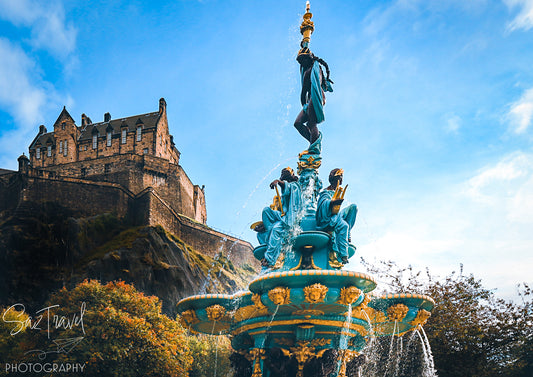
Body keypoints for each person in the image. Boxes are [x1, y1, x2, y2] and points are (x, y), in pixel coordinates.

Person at [254, 167, 302, 268]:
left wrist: (279, 182)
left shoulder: (295, 186)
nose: (283, 174)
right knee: (266, 210)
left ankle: (270, 259)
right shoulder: (284, 188)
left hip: (290, 216)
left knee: (276, 229)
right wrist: (264, 225)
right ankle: (268, 228)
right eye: (282, 173)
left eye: (286, 173)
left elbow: (290, 188)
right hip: (282, 215)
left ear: (291, 175)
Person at [315, 168, 357, 265]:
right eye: (339, 177)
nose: (341, 179)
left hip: (337, 215)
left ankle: (347, 233)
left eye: (341, 177)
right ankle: (343, 254)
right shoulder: (326, 192)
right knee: (344, 226)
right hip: (328, 218)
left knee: (353, 207)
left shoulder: (338, 190)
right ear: (333, 179)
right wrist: (332, 203)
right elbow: (321, 206)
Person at [293, 49, 333, 145]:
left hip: (315, 97)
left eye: (303, 61)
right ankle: (314, 143)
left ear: (309, 59)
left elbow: (303, 94)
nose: (302, 63)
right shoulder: (315, 68)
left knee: (311, 123)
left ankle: (313, 148)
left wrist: (304, 105)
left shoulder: (310, 71)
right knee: (298, 123)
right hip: (315, 97)